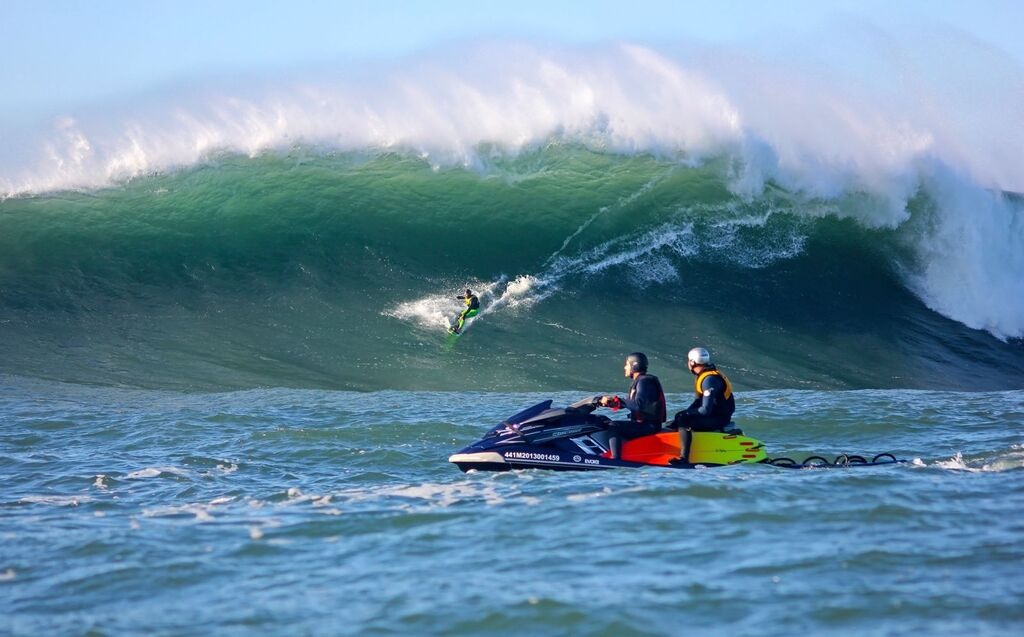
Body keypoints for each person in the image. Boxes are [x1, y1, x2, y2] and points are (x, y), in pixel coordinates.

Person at [598, 352, 667, 460]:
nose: (625, 367)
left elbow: (639, 405)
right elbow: (632, 404)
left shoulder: (644, 382)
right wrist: (612, 403)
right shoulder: (640, 381)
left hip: (649, 426)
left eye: (627, 364)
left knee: (613, 426)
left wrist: (619, 401)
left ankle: (615, 459)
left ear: (634, 366)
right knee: (604, 422)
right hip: (643, 424)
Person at [669, 347, 736, 432]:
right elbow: (697, 402)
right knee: (678, 418)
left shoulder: (709, 380)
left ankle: (685, 445)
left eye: (689, 360)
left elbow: (705, 410)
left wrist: (685, 414)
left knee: (683, 421)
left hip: (719, 419)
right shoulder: (704, 376)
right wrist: (683, 414)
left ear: (692, 362)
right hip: (713, 415)